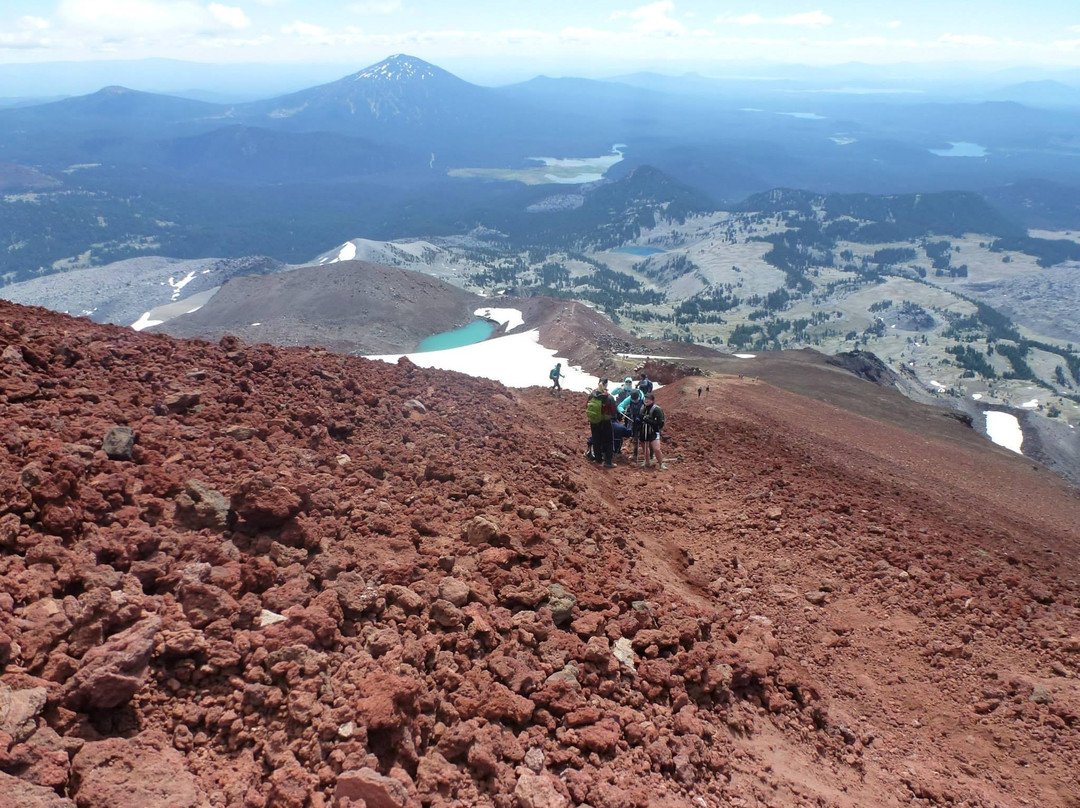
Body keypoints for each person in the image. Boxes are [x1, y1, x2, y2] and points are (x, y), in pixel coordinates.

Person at [585, 378, 618, 468]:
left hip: (594, 421)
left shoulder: (592, 395)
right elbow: (614, 411)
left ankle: (598, 460)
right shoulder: (608, 397)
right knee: (608, 441)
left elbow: (587, 406)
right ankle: (608, 462)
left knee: (596, 439)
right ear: (606, 384)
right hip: (605, 422)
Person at [617, 388, 645, 461]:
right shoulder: (629, 398)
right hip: (633, 419)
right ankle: (635, 454)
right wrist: (624, 411)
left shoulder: (643, 399)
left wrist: (642, 417)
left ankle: (650, 454)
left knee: (646, 437)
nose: (634, 401)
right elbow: (620, 406)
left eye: (636, 400)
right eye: (633, 400)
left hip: (644, 420)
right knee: (635, 437)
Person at [641, 392, 667, 470]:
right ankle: (647, 461)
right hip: (643, 430)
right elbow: (640, 417)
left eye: (648, 399)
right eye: (645, 399)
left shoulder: (657, 409)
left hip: (653, 431)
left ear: (652, 401)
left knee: (656, 449)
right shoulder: (643, 408)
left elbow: (660, 423)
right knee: (645, 447)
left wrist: (649, 421)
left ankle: (661, 464)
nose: (646, 400)